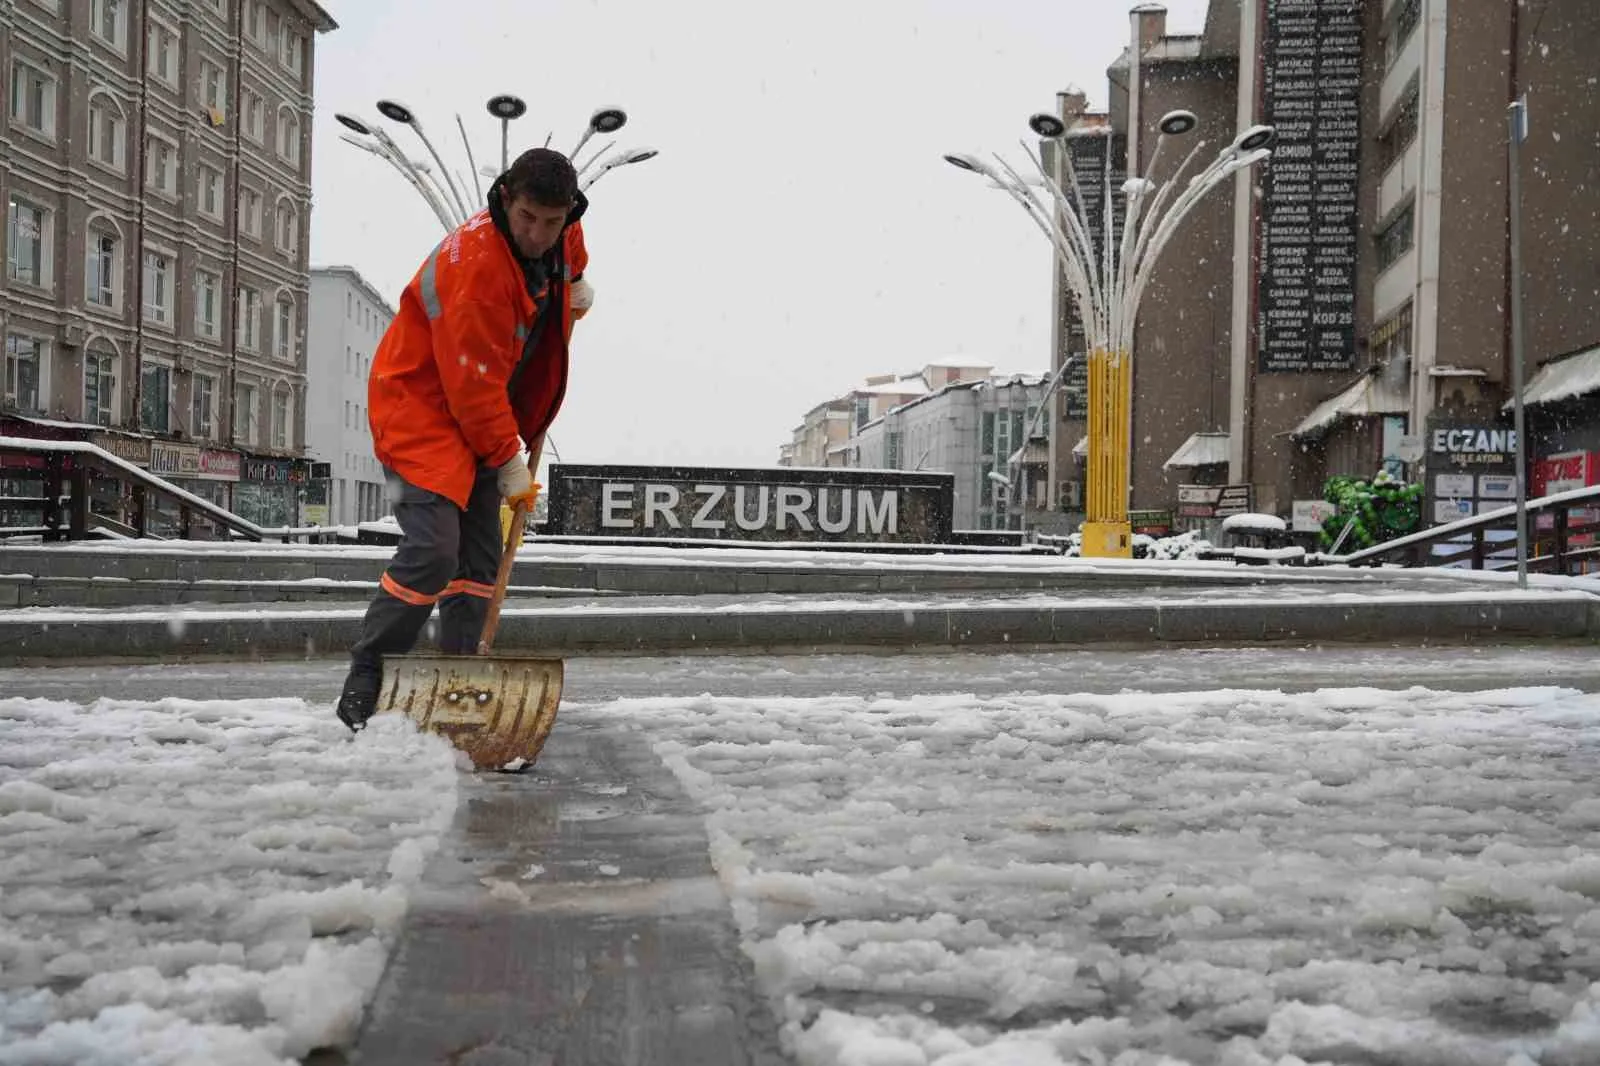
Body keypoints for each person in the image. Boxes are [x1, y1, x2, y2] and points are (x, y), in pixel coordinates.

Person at [335, 148, 595, 732]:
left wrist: (575, 280)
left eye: (551, 223)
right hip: (421, 406)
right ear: (505, 199)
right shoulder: (477, 269)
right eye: (527, 217)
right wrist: (509, 460)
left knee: (479, 559)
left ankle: (461, 677)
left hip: (481, 407)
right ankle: (369, 670)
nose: (537, 234)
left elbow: (570, 248)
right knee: (432, 550)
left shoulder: (562, 230)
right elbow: (471, 387)